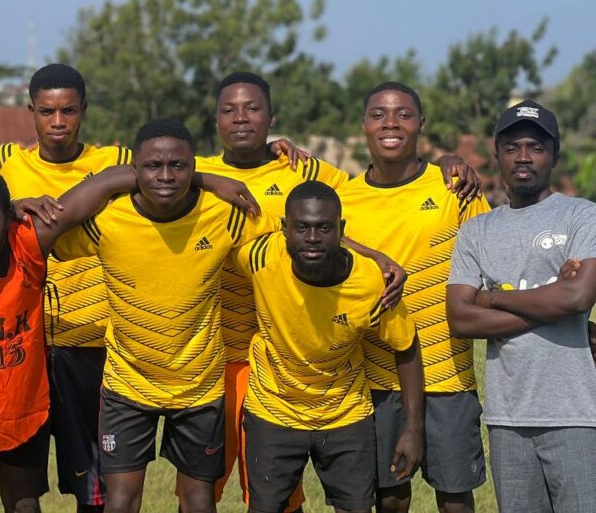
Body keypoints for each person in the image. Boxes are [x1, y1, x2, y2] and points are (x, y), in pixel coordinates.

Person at [0, 162, 253, 513]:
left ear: (9, 217)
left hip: (19, 396)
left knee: (22, 503)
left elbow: (109, 179)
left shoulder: (31, 238)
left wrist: (206, 180)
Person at [49, 118, 281, 513]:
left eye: (178, 166)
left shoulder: (224, 214)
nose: (166, 176)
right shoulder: (109, 219)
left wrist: (370, 256)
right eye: (153, 166)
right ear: (133, 170)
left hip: (199, 385)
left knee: (197, 501)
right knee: (121, 502)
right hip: (128, 383)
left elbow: (298, 234)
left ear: (193, 168)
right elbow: (52, 228)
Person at [0, 63, 130, 513]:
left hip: (92, 342)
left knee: (94, 489)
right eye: (47, 111)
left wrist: (265, 153)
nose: (58, 122)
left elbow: (174, 168)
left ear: (84, 110)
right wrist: (9, 204)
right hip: (21, 345)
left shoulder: (114, 162)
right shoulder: (2, 163)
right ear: (31, 112)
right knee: (21, 488)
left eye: (68, 111)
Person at [195, 72, 349, 511]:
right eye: (229, 110)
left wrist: (445, 162)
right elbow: (136, 178)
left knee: (274, 495)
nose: (240, 118)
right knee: (199, 490)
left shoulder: (302, 170)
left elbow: (368, 195)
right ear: (216, 119)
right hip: (208, 359)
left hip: (278, 359)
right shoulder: (190, 173)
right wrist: (207, 181)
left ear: (272, 117)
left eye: (252, 108)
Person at [336, 82, 490, 513]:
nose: (390, 123)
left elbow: (493, 263)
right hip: (376, 376)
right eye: (379, 114)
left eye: (403, 114)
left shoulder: (454, 188)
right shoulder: (344, 200)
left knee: (455, 499)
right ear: (363, 125)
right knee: (390, 498)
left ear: (421, 124)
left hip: (447, 375)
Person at [237, 181, 424, 513]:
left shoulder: (372, 284)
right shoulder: (260, 256)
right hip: (273, 409)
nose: (312, 238)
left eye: (324, 228)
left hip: (346, 414)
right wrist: (208, 178)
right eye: (302, 228)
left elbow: (406, 347)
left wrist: (413, 428)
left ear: (341, 229)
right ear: (284, 228)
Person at [447, 100, 596, 513]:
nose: (524, 156)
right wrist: (551, 299)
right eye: (512, 148)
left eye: (536, 147)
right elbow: (460, 318)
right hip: (507, 418)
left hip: (575, 413)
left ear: (554, 155)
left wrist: (491, 297)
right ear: (497, 156)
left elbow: (578, 297)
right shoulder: (477, 231)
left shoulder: (582, 216)